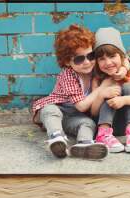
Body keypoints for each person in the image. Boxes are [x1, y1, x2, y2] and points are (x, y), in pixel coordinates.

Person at [31, 24, 124, 160]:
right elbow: (81, 106)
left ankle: (84, 144)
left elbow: (123, 58)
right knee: (50, 110)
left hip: (72, 118)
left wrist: (125, 68)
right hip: (57, 109)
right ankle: (57, 137)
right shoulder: (68, 75)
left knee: (88, 124)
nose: (87, 62)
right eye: (79, 59)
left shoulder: (94, 67)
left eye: (90, 55)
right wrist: (101, 90)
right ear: (68, 62)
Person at [91, 27, 130, 153]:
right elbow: (93, 112)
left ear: (122, 57)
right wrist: (102, 94)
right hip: (103, 123)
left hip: (123, 126)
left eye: (112, 56)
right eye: (101, 59)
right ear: (97, 62)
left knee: (129, 86)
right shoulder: (97, 80)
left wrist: (124, 100)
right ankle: (103, 135)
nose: (108, 62)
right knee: (111, 90)